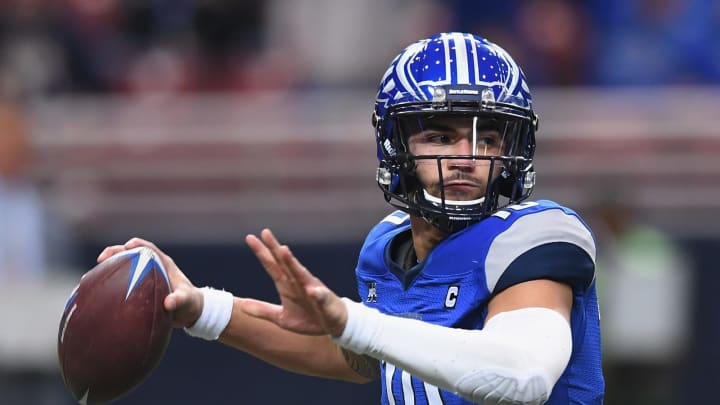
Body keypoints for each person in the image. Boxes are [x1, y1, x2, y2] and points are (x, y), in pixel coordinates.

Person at [98, 32, 604, 404]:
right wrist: (201, 308)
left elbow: (523, 375)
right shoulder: (387, 247)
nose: (468, 156)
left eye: (488, 138)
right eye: (442, 136)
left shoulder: (537, 234)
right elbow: (367, 358)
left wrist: (355, 322)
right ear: (396, 144)